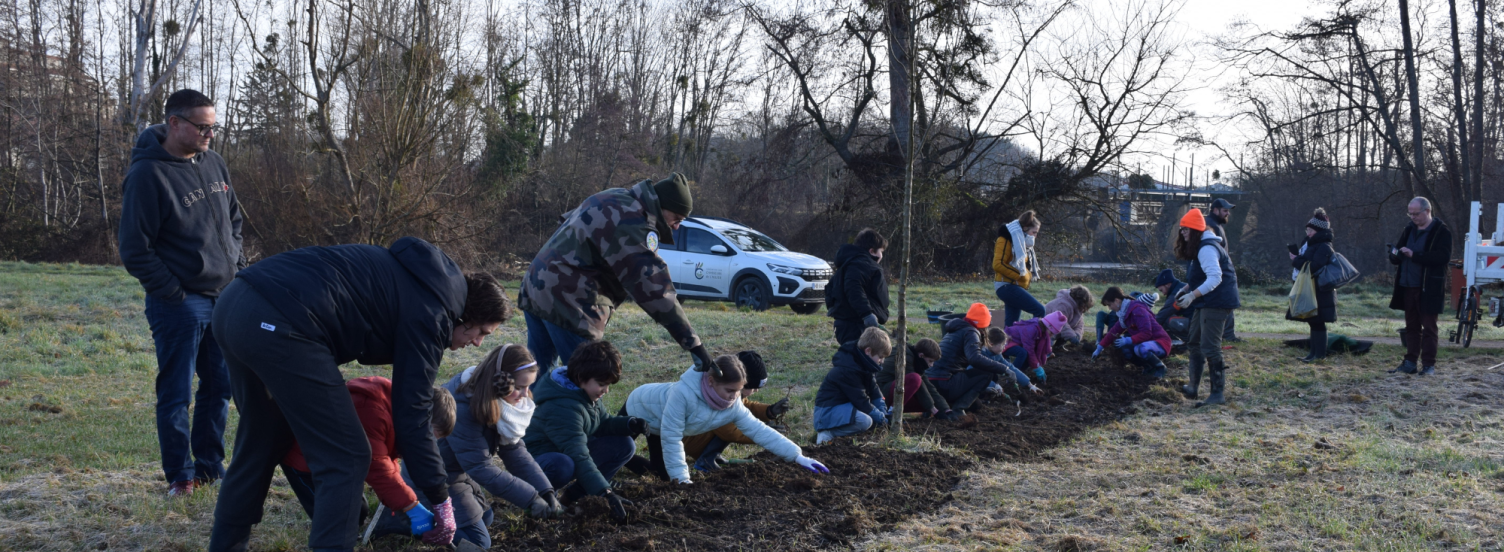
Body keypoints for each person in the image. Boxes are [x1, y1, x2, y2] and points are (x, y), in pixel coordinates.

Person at [209, 237, 509, 551]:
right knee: (348, 456)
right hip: (282, 323)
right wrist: (440, 498)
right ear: (467, 318)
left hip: (235, 304)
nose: (477, 343)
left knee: (262, 438)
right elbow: (413, 412)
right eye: (482, 333)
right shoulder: (433, 313)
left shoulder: (422, 284)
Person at [117, 89, 242, 498]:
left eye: (213, 127)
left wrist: (235, 268)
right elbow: (136, 249)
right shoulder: (147, 175)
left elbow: (234, 220)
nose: (210, 135)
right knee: (176, 393)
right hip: (180, 304)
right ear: (174, 123)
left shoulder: (215, 162)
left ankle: (210, 468)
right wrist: (173, 291)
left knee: (220, 388)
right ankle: (180, 476)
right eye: (202, 127)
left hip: (224, 297)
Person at [518, 173, 714, 374]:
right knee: (588, 381)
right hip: (569, 303)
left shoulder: (614, 195)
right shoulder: (634, 222)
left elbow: (568, 223)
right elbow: (653, 288)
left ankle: (534, 405)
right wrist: (693, 344)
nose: (677, 226)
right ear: (662, 206)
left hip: (536, 285)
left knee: (537, 379)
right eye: (677, 218)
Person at [412, 344, 561, 548]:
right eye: (519, 387)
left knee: (487, 518)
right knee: (479, 543)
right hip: (432, 479)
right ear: (501, 381)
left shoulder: (502, 403)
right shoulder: (463, 409)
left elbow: (515, 451)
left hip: (457, 473)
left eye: (529, 386)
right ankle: (413, 520)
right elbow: (481, 468)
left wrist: (545, 491)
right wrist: (530, 498)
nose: (525, 394)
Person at [279, 379, 456, 543]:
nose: (425, 445)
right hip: (307, 462)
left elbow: (384, 458)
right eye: (428, 437)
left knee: (358, 512)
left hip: (339, 463)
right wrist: (411, 506)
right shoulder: (373, 412)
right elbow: (377, 467)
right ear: (422, 418)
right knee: (335, 519)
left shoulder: (399, 411)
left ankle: (348, 536)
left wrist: (407, 503)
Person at [627, 355, 829, 478]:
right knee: (615, 451)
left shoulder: (731, 403)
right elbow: (672, 439)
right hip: (639, 407)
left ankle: (627, 460)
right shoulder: (683, 395)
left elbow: (757, 430)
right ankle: (622, 461)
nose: (735, 397)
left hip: (660, 426)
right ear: (712, 381)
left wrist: (797, 456)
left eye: (739, 391)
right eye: (730, 390)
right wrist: (684, 481)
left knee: (661, 475)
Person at [524, 341, 641, 521]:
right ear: (581, 376)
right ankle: (541, 500)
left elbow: (601, 422)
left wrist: (629, 424)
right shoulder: (562, 407)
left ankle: (575, 496)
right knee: (563, 465)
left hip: (566, 451)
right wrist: (606, 493)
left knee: (624, 444)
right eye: (602, 384)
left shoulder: (583, 391)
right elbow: (579, 456)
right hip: (539, 462)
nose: (606, 391)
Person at [679, 351, 794, 472]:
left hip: (693, 436)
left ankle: (713, 457)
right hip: (689, 441)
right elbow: (730, 432)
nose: (756, 391)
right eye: (753, 388)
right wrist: (764, 433)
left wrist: (769, 411)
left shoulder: (723, 391)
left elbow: (745, 407)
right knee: (728, 421)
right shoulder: (716, 398)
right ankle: (705, 461)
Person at [1172, 209, 1241, 407]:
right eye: (1181, 230)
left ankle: (1217, 394)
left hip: (1216, 302)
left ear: (1195, 230)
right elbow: (1201, 277)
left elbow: (1215, 278)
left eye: (1185, 230)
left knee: (1210, 347)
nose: (1182, 233)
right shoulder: (1200, 247)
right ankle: (1193, 387)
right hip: (1206, 301)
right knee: (1194, 341)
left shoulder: (1207, 249)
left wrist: (1192, 295)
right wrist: (1185, 289)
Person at [925, 304, 1033, 413]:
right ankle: (958, 410)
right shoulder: (971, 332)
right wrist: (1004, 369)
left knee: (976, 406)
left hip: (932, 384)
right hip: (944, 383)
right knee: (987, 373)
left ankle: (949, 405)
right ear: (984, 323)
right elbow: (975, 359)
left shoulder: (956, 329)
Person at [1387, 197, 1453, 376]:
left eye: (1416, 213)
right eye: (1410, 213)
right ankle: (1409, 363)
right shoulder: (1409, 229)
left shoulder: (1441, 232)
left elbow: (1442, 257)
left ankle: (1429, 365)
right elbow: (1400, 252)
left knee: (1430, 328)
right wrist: (1395, 255)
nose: (1413, 217)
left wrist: (1415, 255)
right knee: (1411, 327)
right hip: (1407, 286)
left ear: (1427, 211)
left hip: (1428, 288)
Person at [813, 327, 892, 444]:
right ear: (868, 351)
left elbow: (875, 392)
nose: (882, 361)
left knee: (872, 419)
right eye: (880, 357)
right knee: (865, 421)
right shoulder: (848, 369)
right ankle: (827, 433)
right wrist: (883, 420)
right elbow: (862, 401)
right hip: (826, 413)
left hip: (843, 409)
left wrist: (884, 414)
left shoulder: (865, 365)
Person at [1288, 208, 1337, 363]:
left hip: (1319, 290)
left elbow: (1314, 266)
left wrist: (1296, 260)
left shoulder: (1323, 246)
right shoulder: (1313, 244)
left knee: (1318, 322)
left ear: (1319, 230)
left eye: (1310, 230)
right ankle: (1313, 354)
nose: (1307, 233)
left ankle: (1319, 355)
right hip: (1312, 288)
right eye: (1307, 229)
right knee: (1313, 322)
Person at [826, 229, 891, 345]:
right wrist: (867, 314)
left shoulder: (853, 262)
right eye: (881, 251)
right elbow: (853, 289)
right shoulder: (861, 264)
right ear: (872, 251)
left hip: (856, 324)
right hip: (856, 326)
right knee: (856, 360)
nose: (882, 255)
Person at [1094, 288, 1171, 378]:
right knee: (1125, 350)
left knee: (1140, 349)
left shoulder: (1137, 310)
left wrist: (1128, 340)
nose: (1109, 308)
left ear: (1117, 300)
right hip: (1147, 343)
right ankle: (1148, 367)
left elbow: (1146, 333)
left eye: (1109, 305)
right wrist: (1100, 347)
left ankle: (1160, 368)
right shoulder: (1124, 313)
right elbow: (1114, 331)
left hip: (1160, 342)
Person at [878, 338, 959, 420]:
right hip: (881, 394)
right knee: (915, 379)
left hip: (893, 391)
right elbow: (919, 386)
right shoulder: (904, 357)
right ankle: (892, 413)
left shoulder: (916, 362)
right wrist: (934, 411)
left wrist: (946, 410)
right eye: (930, 361)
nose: (931, 365)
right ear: (921, 355)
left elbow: (929, 388)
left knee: (929, 398)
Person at [993, 210, 1045, 326]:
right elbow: (998, 264)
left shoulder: (1021, 244)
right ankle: (1035, 341)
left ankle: (1009, 343)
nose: (1035, 236)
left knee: (1011, 325)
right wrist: (1019, 275)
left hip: (1013, 285)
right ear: (1025, 228)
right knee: (1040, 310)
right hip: (1007, 286)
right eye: (1034, 232)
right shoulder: (1005, 240)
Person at [1206, 198, 1242, 342]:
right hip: (1218, 272)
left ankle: (1226, 334)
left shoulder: (1215, 225)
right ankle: (1227, 335)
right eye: (1225, 210)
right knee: (1225, 303)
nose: (1228, 214)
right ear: (1215, 210)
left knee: (1225, 303)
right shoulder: (1211, 226)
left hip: (1220, 271)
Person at [1002, 311, 1067, 384]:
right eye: (1051, 332)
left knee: (1029, 357)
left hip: (1018, 343)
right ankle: (1011, 376)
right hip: (1005, 342)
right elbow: (1029, 350)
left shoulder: (1040, 330)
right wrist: (1037, 368)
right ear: (1048, 326)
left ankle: (1019, 375)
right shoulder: (1031, 329)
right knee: (1023, 353)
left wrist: (1037, 365)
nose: (1051, 335)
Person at [981, 327, 1040, 396]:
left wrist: (1030, 385)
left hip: (986, 380)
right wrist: (993, 385)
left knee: (994, 376)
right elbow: (975, 377)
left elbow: (1010, 367)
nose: (1004, 347)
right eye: (1002, 344)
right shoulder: (980, 356)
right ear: (991, 344)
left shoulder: (997, 355)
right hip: (974, 384)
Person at [1152, 269, 1190, 335]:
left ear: (1168, 285)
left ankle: (1186, 340)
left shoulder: (1176, 294)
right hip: (1197, 321)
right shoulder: (1180, 287)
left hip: (1194, 323)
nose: (1163, 294)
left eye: (1161, 290)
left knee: (1168, 320)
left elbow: (1164, 313)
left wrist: (1148, 326)